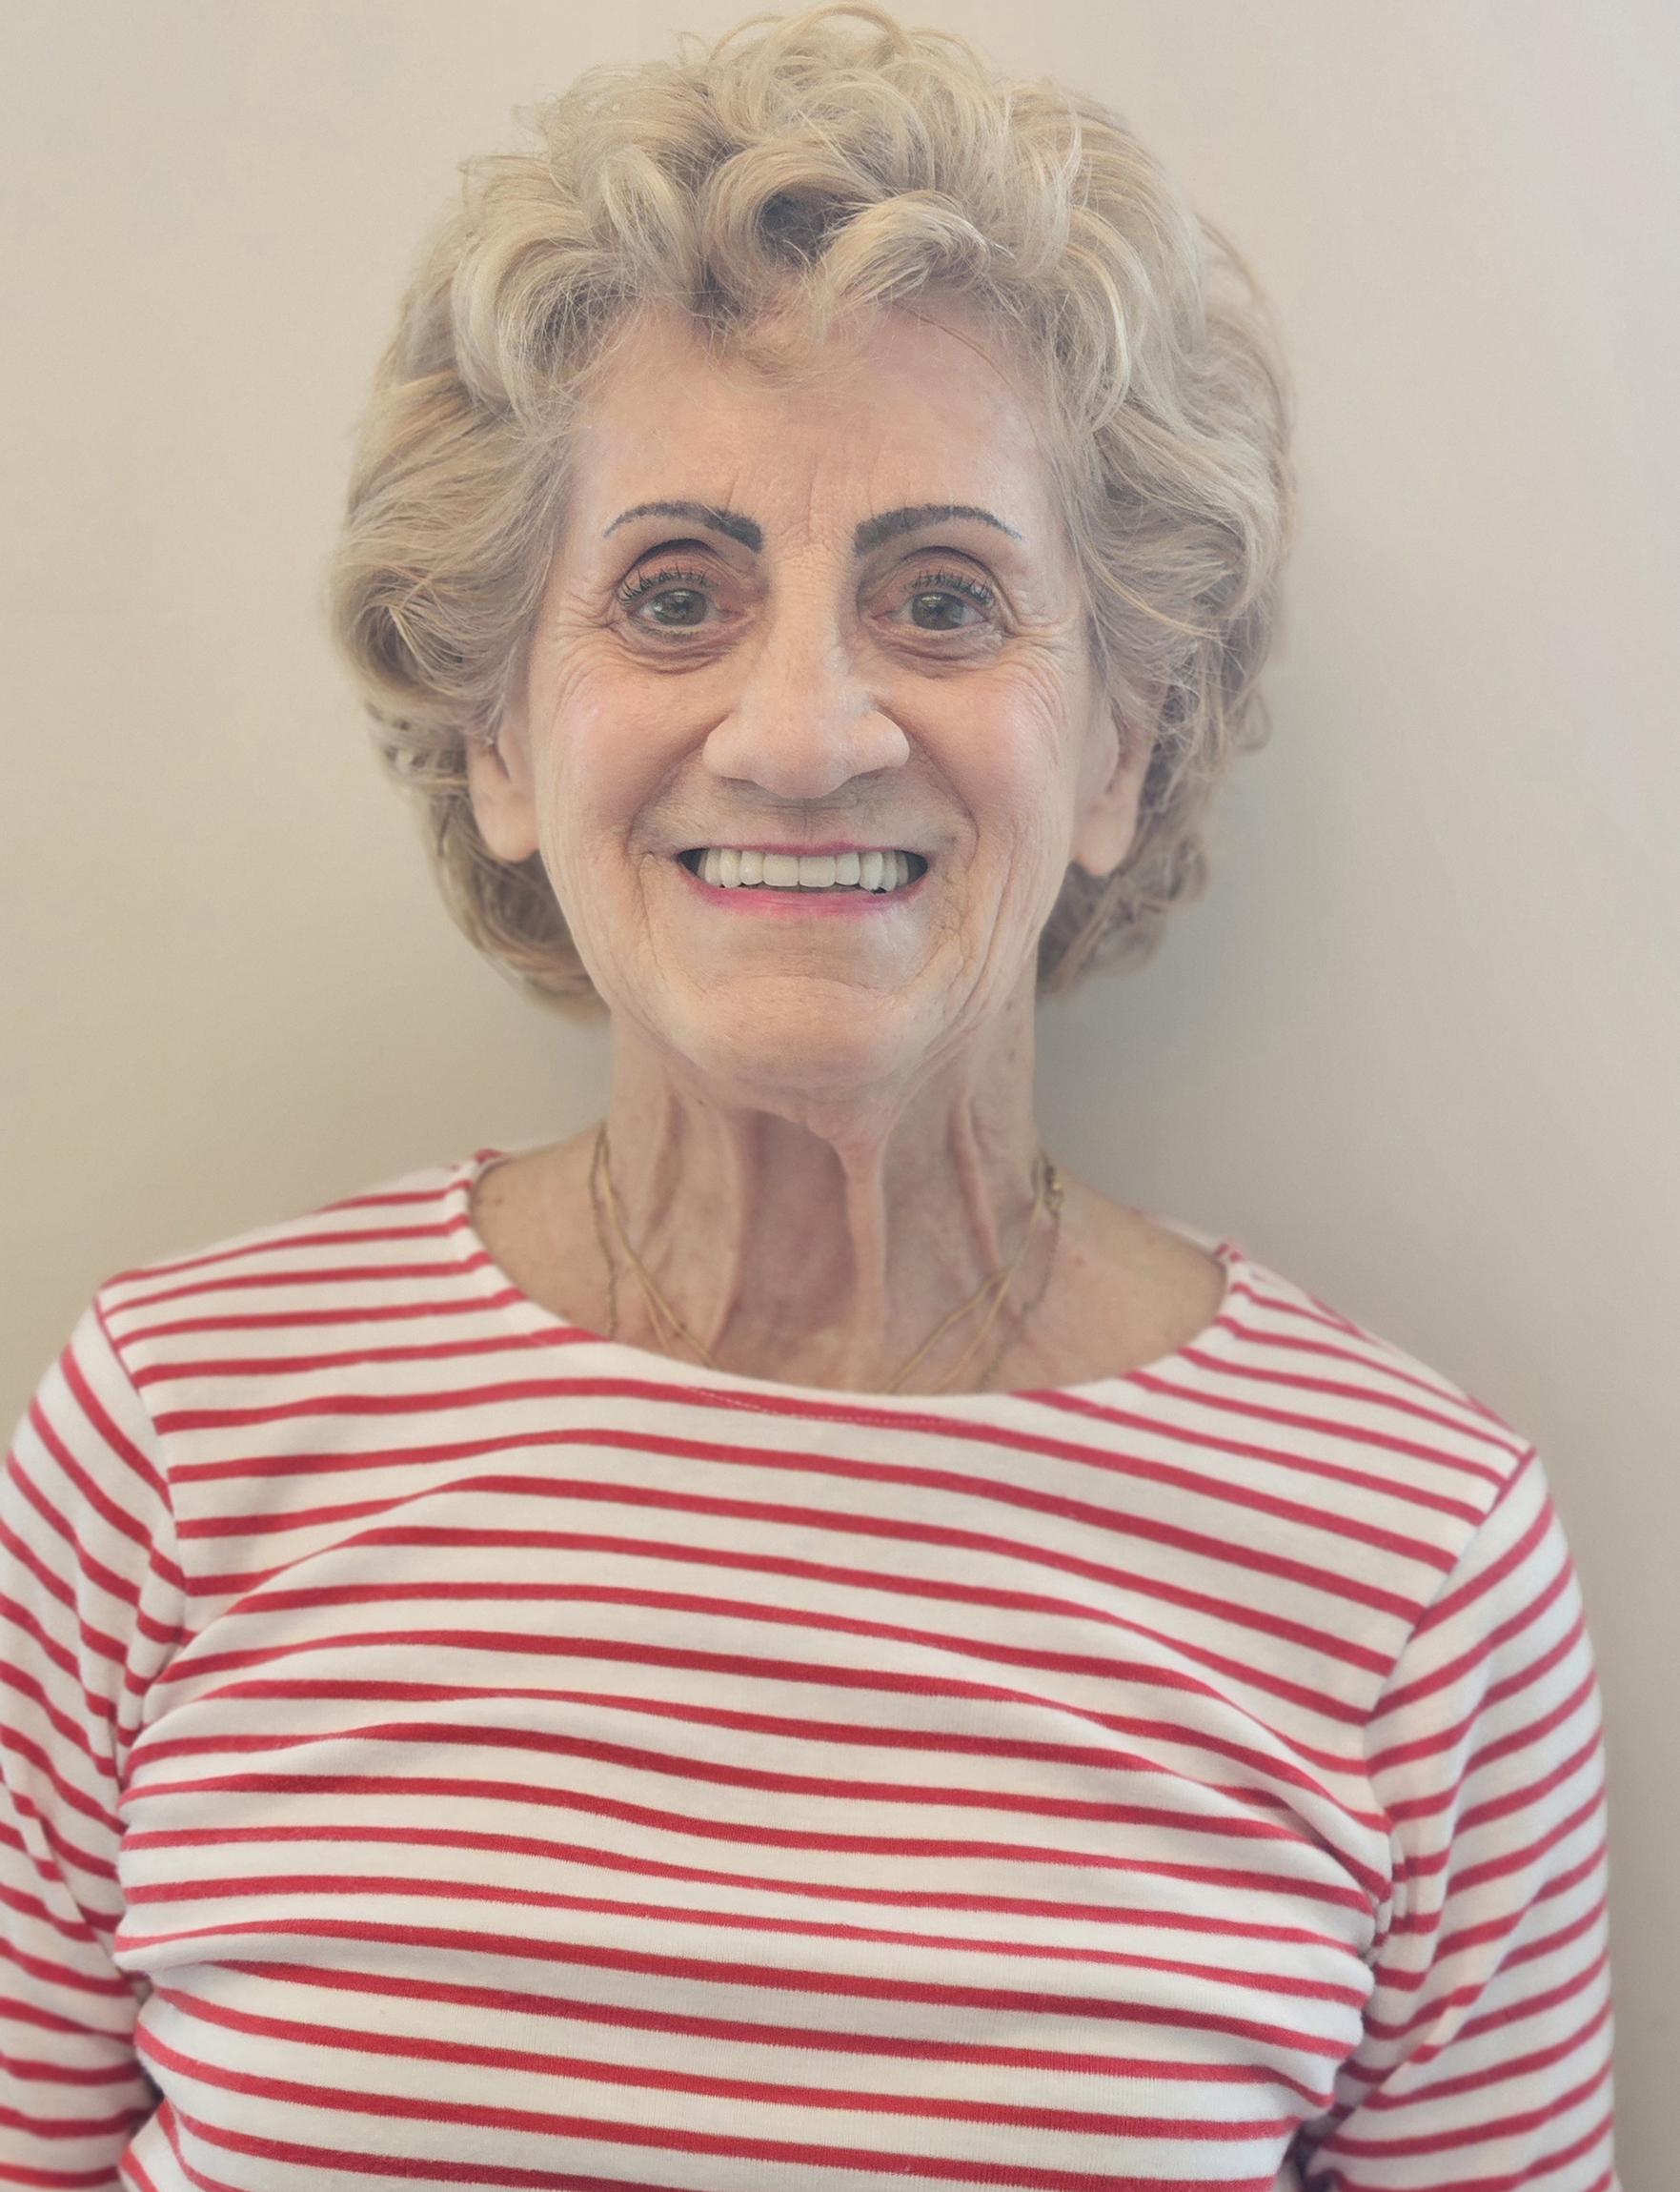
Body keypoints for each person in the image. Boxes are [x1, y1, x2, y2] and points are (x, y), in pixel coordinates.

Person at [0, 9, 1614, 2189]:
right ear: (498, 735)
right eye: (675, 594)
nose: (803, 728)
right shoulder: (180, 1440)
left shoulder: (1415, 1573)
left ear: (1122, 745)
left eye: (945, 599)